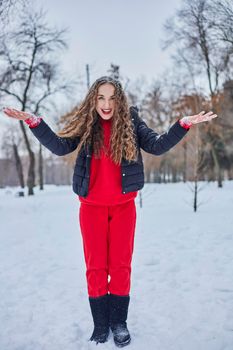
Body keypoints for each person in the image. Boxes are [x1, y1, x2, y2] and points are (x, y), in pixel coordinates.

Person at [2, 76, 217, 347]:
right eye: (101, 97)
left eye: (112, 98)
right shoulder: (88, 123)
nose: (106, 104)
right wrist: (35, 121)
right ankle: (100, 324)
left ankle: (119, 322)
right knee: (95, 267)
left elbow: (157, 145)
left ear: (120, 100)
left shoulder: (132, 121)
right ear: (94, 99)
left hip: (124, 208)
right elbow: (59, 146)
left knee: (120, 267)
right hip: (91, 208)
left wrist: (183, 124)